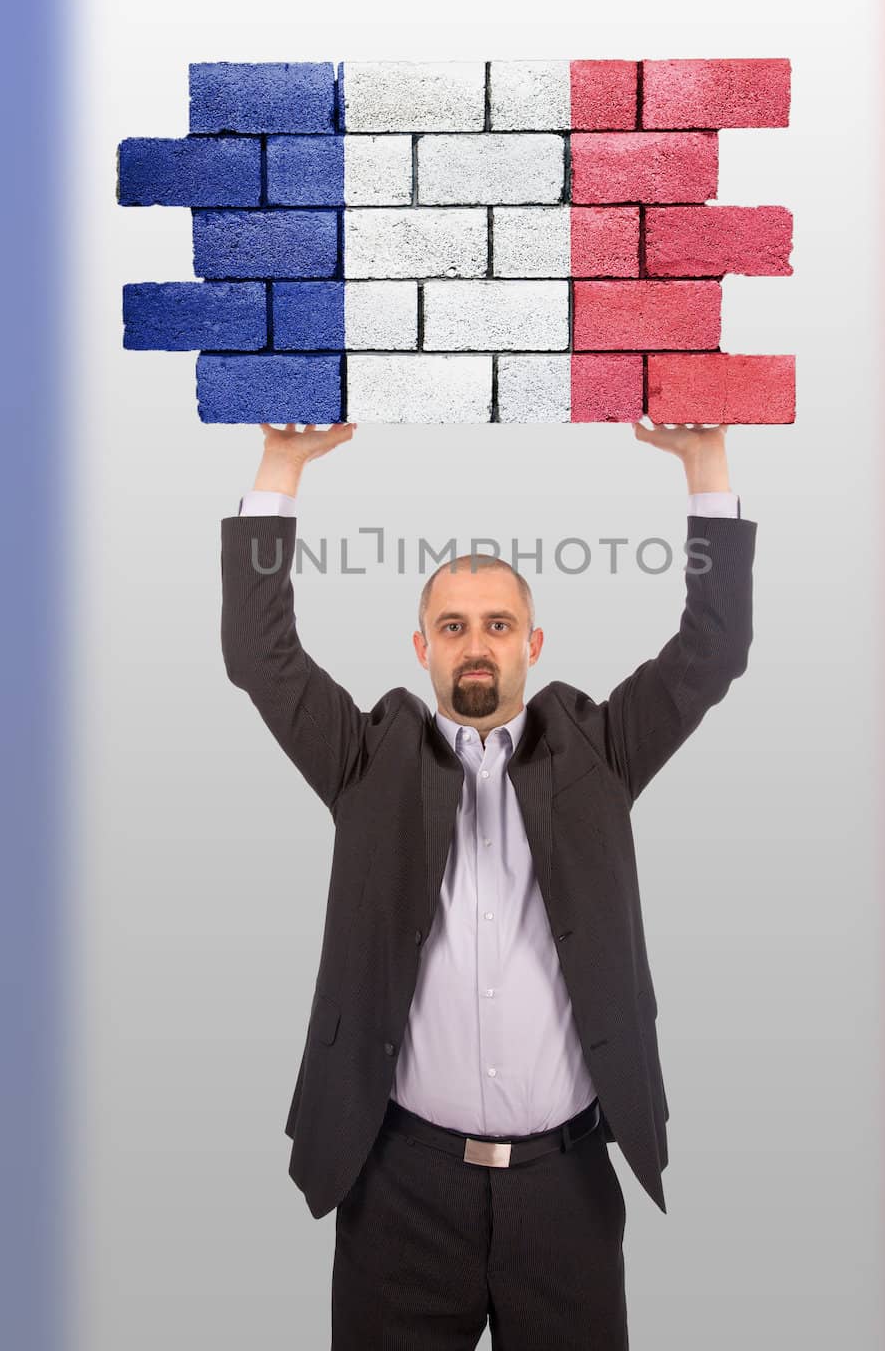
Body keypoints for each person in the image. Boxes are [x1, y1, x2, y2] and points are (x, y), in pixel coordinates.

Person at [221, 419, 757, 1349]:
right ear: (421, 647)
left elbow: (709, 653)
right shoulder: (365, 759)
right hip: (398, 1189)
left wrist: (703, 463)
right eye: (454, 627)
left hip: (568, 1192)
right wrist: (282, 466)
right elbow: (260, 658)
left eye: (498, 626)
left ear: (533, 644)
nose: (477, 645)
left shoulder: (600, 749)